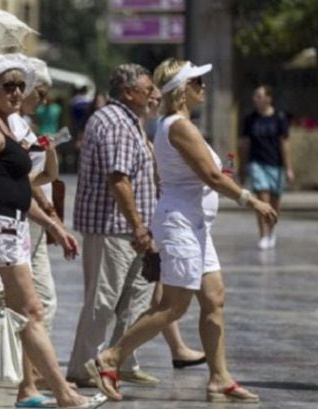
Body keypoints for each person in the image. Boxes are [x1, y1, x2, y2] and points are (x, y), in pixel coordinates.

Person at [85, 59, 277, 403]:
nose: (203, 87)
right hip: (180, 226)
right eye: (197, 83)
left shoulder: (177, 125)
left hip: (195, 225)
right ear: (182, 91)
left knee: (214, 297)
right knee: (172, 306)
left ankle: (219, 377)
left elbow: (194, 175)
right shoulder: (179, 127)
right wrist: (252, 201)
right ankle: (110, 358)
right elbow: (213, 178)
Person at [0, 53, 104, 409]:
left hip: (11, 223)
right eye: (7, 86)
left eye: (19, 86)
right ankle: (64, 394)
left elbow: (17, 189)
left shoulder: (6, 124)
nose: (15, 93)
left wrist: (53, 226)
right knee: (31, 310)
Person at [67, 64, 160, 388]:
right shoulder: (117, 123)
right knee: (103, 301)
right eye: (148, 89)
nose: (154, 95)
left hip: (129, 228)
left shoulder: (127, 120)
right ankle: (82, 366)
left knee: (135, 299)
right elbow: (118, 179)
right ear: (128, 93)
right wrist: (137, 225)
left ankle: (121, 359)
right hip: (114, 227)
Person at [6, 56, 65, 406]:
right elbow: (15, 180)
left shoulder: (24, 124)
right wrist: (47, 213)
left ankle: (32, 376)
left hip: (33, 218)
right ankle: (32, 380)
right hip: (15, 221)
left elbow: (39, 176)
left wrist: (51, 152)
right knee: (30, 302)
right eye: (37, 92)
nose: (42, 100)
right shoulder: (4, 126)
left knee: (38, 302)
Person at [142, 85, 206, 370]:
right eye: (149, 95)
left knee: (167, 296)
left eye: (155, 96)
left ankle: (181, 350)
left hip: (174, 217)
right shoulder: (171, 127)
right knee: (170, 302)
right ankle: (112, 357)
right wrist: (246, 198)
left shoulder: (154, 130)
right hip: (165, 218)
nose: (153, 100)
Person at [239, 85, 292, 250]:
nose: (256, 99)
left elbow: (284, 144)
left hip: (276, 164)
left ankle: (271, 232)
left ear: (269, 98)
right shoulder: (249, 118)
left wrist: (288, 168)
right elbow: (245, 143)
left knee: (274, 203)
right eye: (255, 96)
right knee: (262, 199)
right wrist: (242, 165)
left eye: (259, 96)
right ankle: (263, 234)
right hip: (257, 163)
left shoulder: (279, 117)